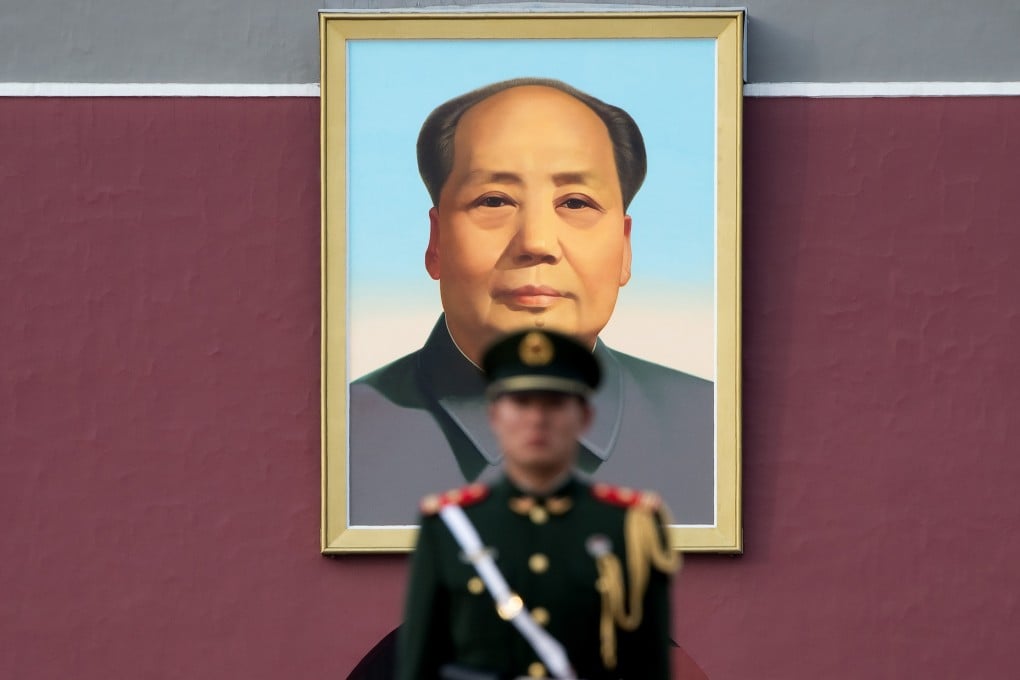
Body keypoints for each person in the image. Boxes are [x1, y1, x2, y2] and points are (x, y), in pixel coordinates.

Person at [349, 77, 713, 527]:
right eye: (495, 200)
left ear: (624, 247)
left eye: (576, 203)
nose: (537, 242)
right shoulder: (343, 437)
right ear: (436, 241)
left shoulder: (713, 431)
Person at [396, 329, 679, 680]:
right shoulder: (450, 526)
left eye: (554, 403)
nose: (537, 419)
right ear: (494, 416)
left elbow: (650, 665)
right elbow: (418, 666)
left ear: (585, 417)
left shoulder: (628, 526)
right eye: (522, 403)